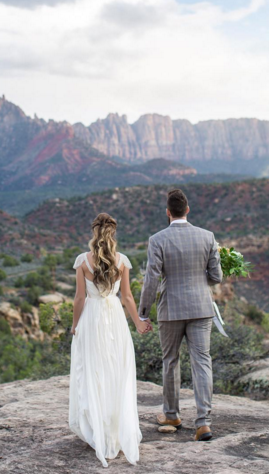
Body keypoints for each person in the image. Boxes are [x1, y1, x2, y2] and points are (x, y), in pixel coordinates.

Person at [138, 188, 222, 442]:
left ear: (168, 212)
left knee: (170, 361)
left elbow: (152, 278)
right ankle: (203, 423)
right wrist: (199, 280)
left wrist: (144, 312)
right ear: (187, 210)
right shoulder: (207, 237)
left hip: (171, 310)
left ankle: (172, 414)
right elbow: (216, 277)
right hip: (201, 308)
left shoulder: (157, 239)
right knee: (202, 362)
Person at [69, 213, 149, 468]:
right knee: (117, 372)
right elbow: (127, 297)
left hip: (92, 318)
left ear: (94, 231)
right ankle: (114, 432)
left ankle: (98, 430)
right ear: (113, 233)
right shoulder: (122, 261)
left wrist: (74, 325)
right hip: (115, 318)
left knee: (93, 372)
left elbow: (80, 298)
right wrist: (137, 323)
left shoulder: (83, 261)